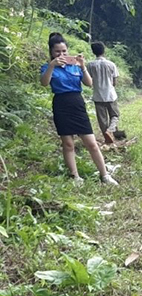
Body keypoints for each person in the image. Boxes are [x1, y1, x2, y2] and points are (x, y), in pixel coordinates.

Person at [39, 33, 118, 186]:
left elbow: (89, 83)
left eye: (64, 51)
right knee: (68, 144)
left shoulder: (74, 65)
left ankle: (105, 175)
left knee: (92, 143)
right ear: (51, 52)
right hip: (61, 104)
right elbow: (44, 83)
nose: (61, 54)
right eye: (57, 52)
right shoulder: (47, 66)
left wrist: (83, 67)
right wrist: (52, 65)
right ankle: (75, 176)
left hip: (77, 103)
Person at [87, 41, 120, 145]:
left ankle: (107, 138)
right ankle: (110, 131)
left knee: (102, 119)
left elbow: (89, 80)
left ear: (93, 52)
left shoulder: (90, 65)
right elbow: (114, 82)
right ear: (104, 50)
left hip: (97, 95)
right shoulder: (111, 64)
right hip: (110, 95)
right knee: (115, 115)